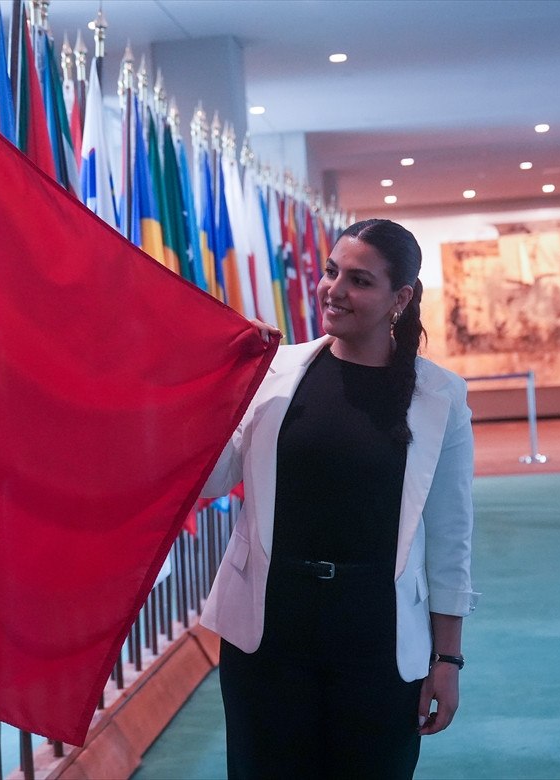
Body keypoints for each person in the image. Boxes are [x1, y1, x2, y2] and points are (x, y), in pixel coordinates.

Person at [199, 218, 478, 779]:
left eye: (359, 280)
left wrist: (447, 658)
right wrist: (218, 381)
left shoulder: (440, 396)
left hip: (378, 635)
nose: (335, 289)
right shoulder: (272, 373)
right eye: (331, 272)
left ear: (400, 298)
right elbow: (205, 480)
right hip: (268, 632)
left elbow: (451, 538)